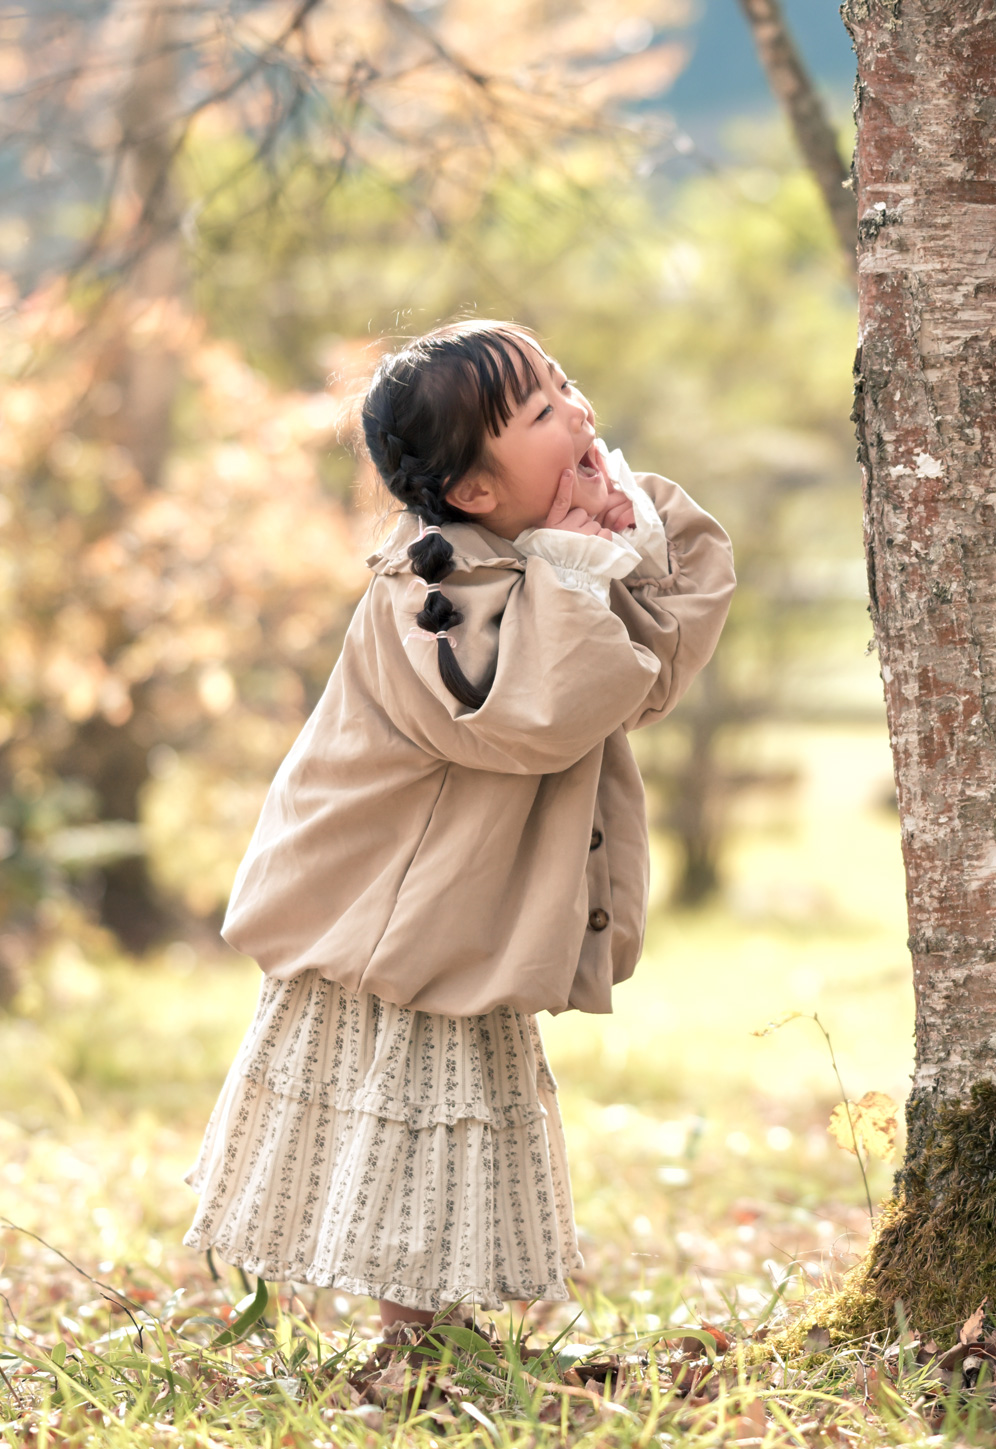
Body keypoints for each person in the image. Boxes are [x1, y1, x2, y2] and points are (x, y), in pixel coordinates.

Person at [183, 319, 734, 1347]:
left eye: (565, 383)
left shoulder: (539, 558)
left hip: (461, 911)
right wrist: (575, 563)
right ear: (475, 489)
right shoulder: (433, 586)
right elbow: (536, 711)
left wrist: (624, 540)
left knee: (451, 1119)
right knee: (405, 1112)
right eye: (540, 410)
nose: (576, 411)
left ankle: (431, 1330)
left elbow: (645, 677)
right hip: (388, 912)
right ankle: (413, 1336)